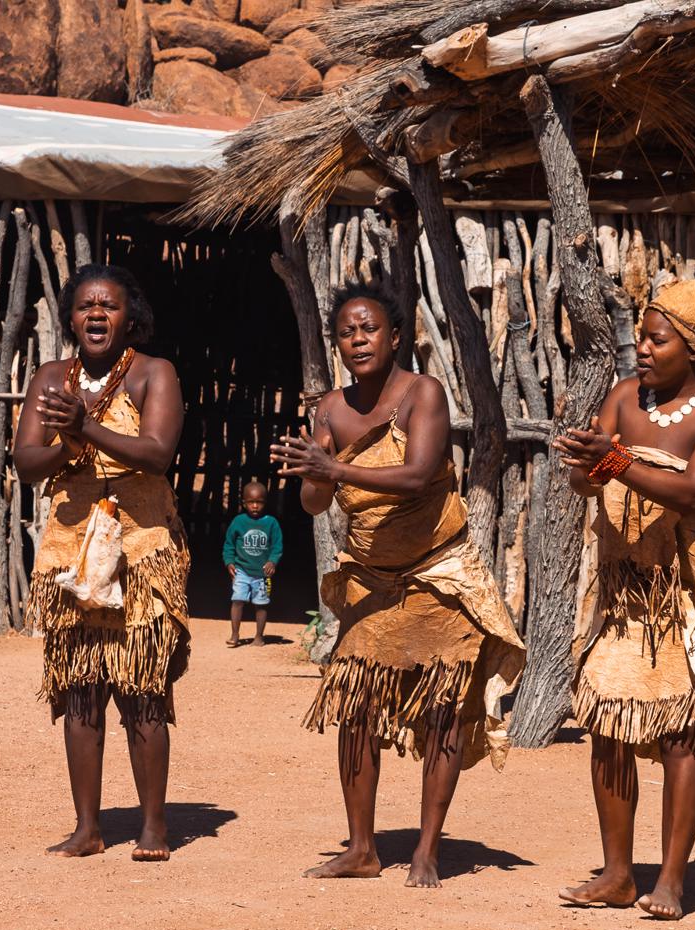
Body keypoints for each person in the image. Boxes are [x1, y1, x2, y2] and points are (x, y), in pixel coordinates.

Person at [271, 283, 524, 888]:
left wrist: (334, 466)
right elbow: (315, 503)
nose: (358, 340)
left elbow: (416, 474)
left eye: (369, 329)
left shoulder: (422, 393)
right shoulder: (330, 410)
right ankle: (362, 848)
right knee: (355, 706)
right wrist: (314, 472)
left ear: (395, 336)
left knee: (442, 709)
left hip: (438, 576)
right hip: (372, 582)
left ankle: (427, 849)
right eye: (346, 333)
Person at [551, 279, 695, 920]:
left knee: (681, 738)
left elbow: (693, 490)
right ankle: (618, 874)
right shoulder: (624, 397)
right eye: (642, 337)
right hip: (624, 596)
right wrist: (586, 462)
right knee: (608, 728)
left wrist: (616, 461)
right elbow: (585, 482)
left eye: (658, 339)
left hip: (684, 597)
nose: (642, 348)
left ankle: (671, 880)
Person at [14, 263, 190, 862]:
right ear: (70, 318)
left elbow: (157, 453)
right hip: (72, 552)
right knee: (81, 690)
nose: (96, 314)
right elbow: (26, 463)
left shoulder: (154, 373)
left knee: (142, 687)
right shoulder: (49, 378)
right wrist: (67, 444)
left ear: (129, 317)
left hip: (142, 549)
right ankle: (87, 827)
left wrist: (85, 427)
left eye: (109, 306)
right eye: (85, 305)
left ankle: (153, 827)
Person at [223, 480, 282, 647]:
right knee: (237, 601)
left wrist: (272, 561)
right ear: (244, 503)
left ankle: (259, 637)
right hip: (241, 570)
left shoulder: (271, 523)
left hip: (262, 574)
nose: (255, 506)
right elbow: (229, 545)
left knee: (261, 605)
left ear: (265, 503)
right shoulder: (238, 522)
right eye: (251, 502)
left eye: (259, 502)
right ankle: (235, 635)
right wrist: (229, 562)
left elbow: (277, 546)